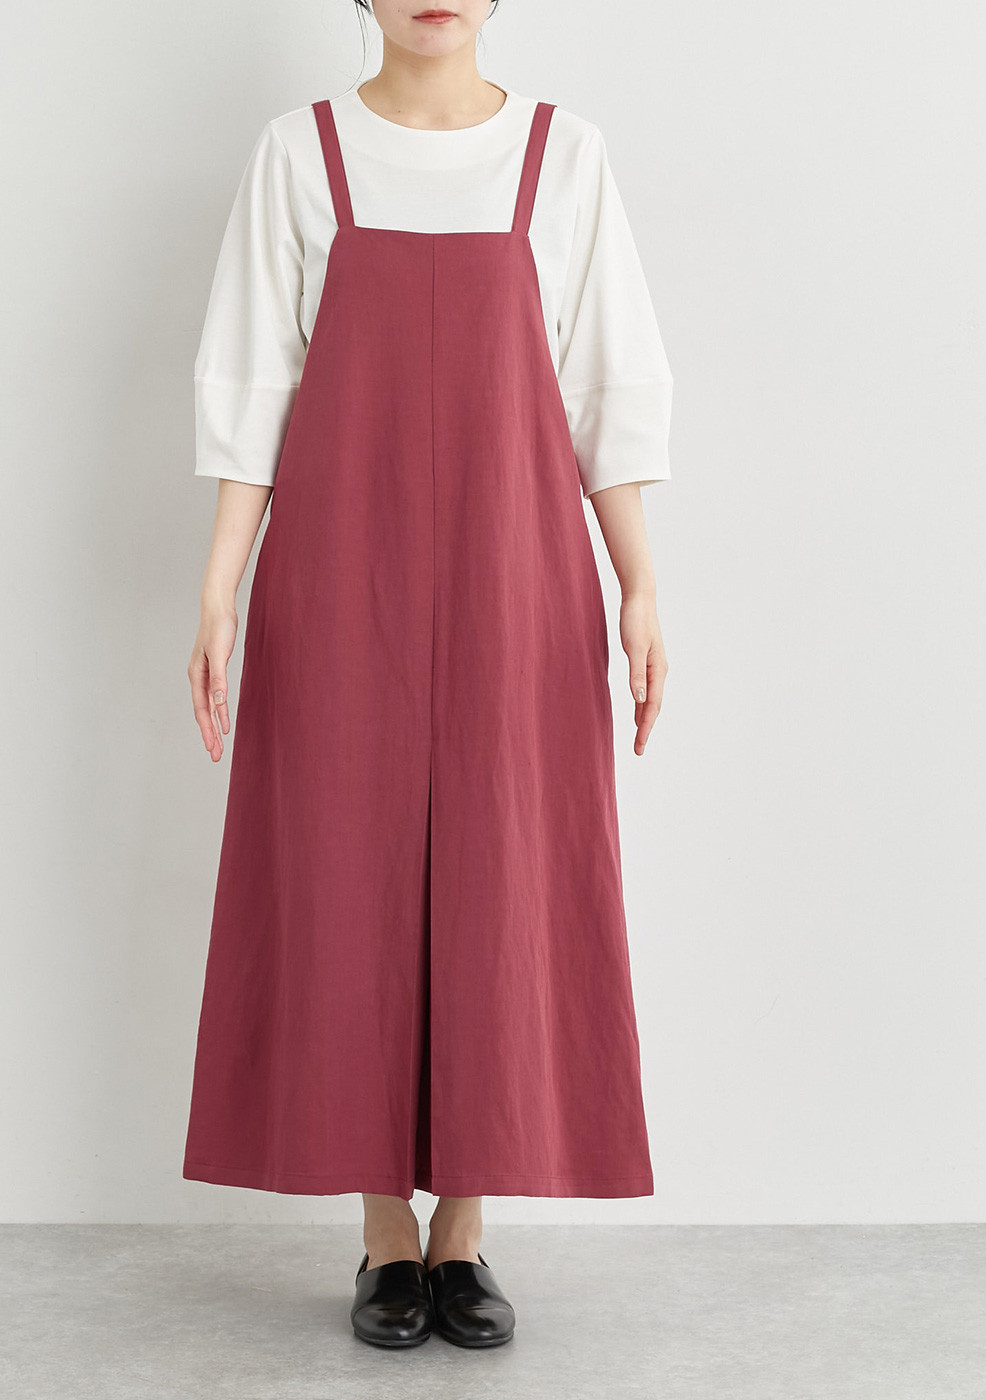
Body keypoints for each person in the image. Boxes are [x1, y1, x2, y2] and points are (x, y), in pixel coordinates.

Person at [182, 0, 674, 1351]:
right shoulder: (300, 154)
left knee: (508, 874)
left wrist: (638, 582)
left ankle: (462, 1232)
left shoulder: (566, 156)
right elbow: (253, 384)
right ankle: (383, 1238)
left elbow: (608, 386)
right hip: (341, 565)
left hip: (519, 567)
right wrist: (220, 584)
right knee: (345, 870)